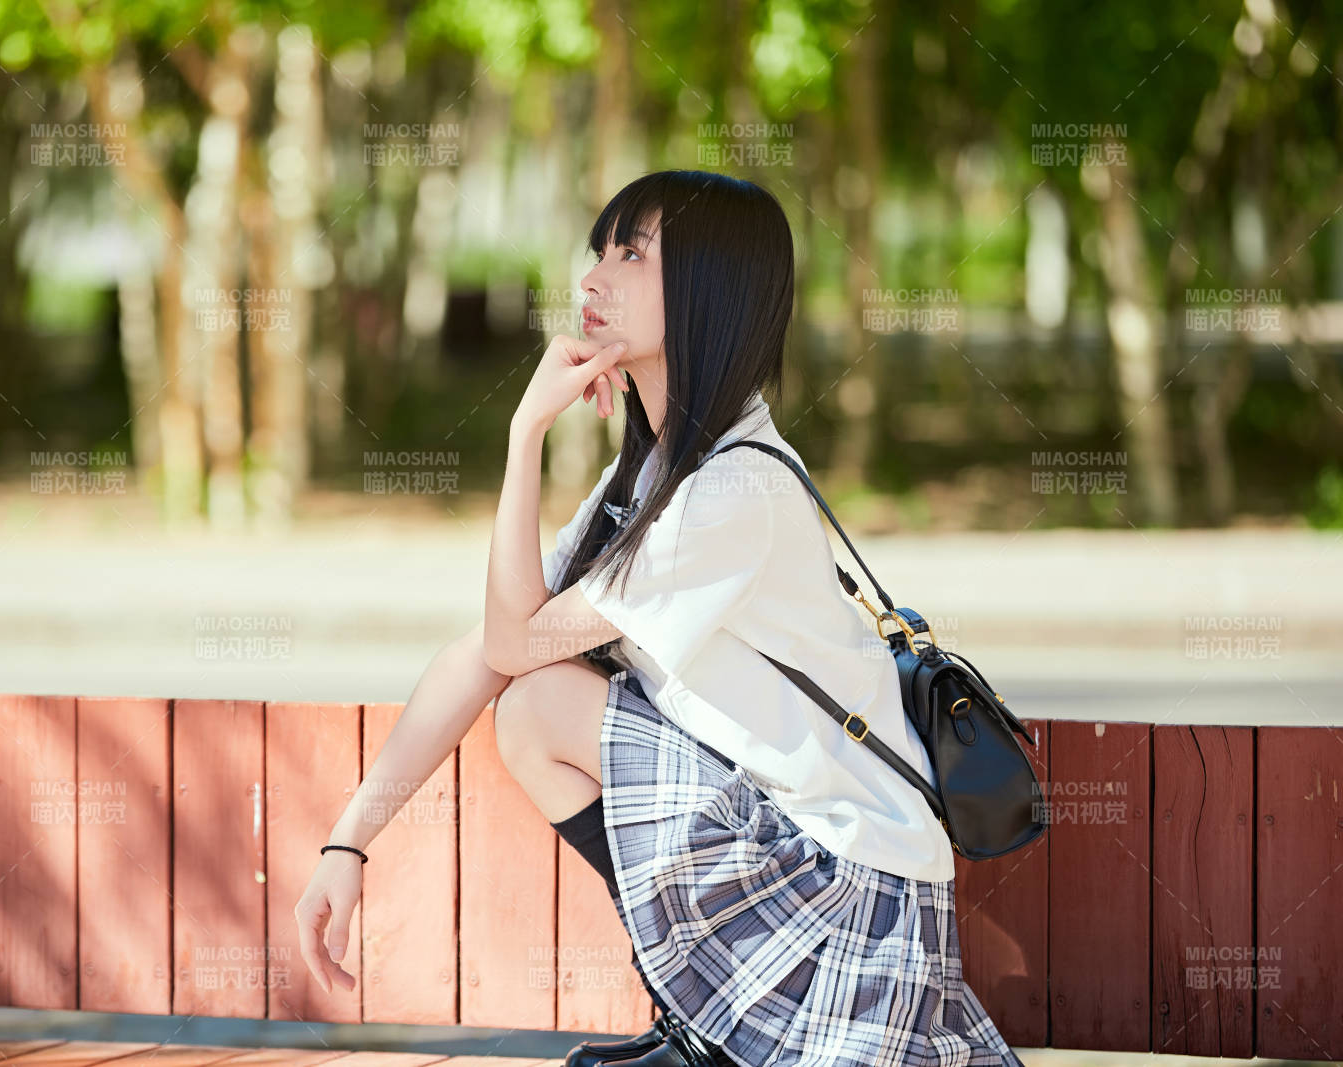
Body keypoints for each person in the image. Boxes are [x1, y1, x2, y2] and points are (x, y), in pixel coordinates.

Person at [296, 169, 1025, 1067]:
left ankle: (706, 1033)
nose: (592, 279)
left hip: (855, 894)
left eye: (632, 253)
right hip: (782, 847)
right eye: (600, 250)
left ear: (711, 293)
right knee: (530, 706)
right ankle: (701, 1025)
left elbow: (514, 641)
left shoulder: (735, 489)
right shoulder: (651, 480)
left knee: (544, 698)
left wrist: (525, 434)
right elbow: (483, 653)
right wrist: (348, 842)